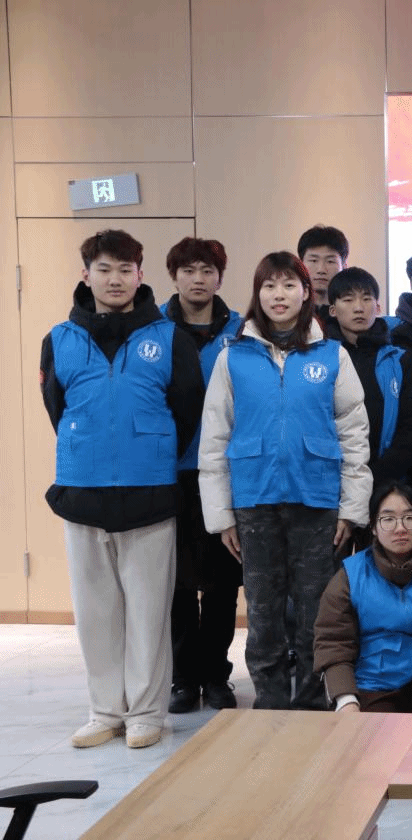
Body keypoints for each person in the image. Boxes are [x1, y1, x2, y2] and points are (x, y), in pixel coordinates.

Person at [41, 229, 204, 748]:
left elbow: (187, 410)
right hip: (82, 492)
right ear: (86, 275)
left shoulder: (170, 338)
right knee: (95, 614)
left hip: (149, 493)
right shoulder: (59, 339)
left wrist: (148, 451)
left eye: (125, 269)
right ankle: (104, 711)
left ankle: (146, 713)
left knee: (150, 613)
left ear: (140, 275)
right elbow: (57, 408)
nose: (115, 279)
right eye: (104, 269)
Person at [199, 251, 371, 710]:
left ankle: (314, 701)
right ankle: (270, 702)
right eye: (269, 285)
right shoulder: (233, 357)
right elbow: (214, 437)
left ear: (306, 292)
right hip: (253, 502)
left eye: (289, 285)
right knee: (262, 612)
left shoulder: (332, 355)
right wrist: (221, 516)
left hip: (318, 502)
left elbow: (354, 434)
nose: (279, 295)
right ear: (257, 293)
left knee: (317, 610)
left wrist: (351, 510)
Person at [159, 236, 244, 715]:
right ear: (174, 276)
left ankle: (215, 674)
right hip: (167, 473)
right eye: (189, 270)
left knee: (221, 582)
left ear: (219, 277)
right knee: (175, 583)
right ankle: (182, 678)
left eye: (207, 271)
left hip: (224, 473)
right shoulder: (154, 329)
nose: (198, 279)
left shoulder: (242, 330)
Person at [314, 481, 412, 715]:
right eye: (388, 519)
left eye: (410, 518)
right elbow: (333, 641)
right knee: (371, 733)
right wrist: (345, 700)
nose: (400, 528)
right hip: (372, 682)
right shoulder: (350, 575)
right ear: (373, 527)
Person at [325, 267, 412, 495]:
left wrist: (377, 478)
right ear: (333, 310)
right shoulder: (320, 359)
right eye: (348, 300)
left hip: (386, 484)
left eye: (366, 299)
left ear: (378, 307)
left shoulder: (400, 359)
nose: (359, 308)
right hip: (329, 482)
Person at [297, 224, 349, 318]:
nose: (321, 270)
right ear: (300, 265)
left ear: (344, 267)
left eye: (330, 261)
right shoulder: (290, 311)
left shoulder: (352, 312)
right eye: (313, 261)